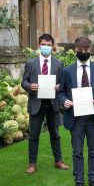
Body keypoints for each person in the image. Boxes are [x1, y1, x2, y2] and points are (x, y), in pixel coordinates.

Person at [61, 36, 94, 186]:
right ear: (75, 50)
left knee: (93, 151)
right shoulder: (67, 71)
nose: (83, 53)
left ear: (91, 50)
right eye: (80, 51)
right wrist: (64, 101)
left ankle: (93, 181)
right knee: (77, 152)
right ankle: (78, 182)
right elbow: (60, 92)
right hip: (75, 117)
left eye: (86, 50)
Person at [21, 33, 69, 174]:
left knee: (55, 133)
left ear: (52, 47)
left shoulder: (59, 63)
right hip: (36, 103)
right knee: (34, 135)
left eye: (48, 45)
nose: (46, 47)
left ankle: (58, 160)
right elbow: (24, 82)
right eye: (43, 44)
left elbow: (63, 84)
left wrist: (59, 86)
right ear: (39, 45)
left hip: (53, 103)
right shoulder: (31, 63)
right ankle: (32, 164)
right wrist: (30, 86)